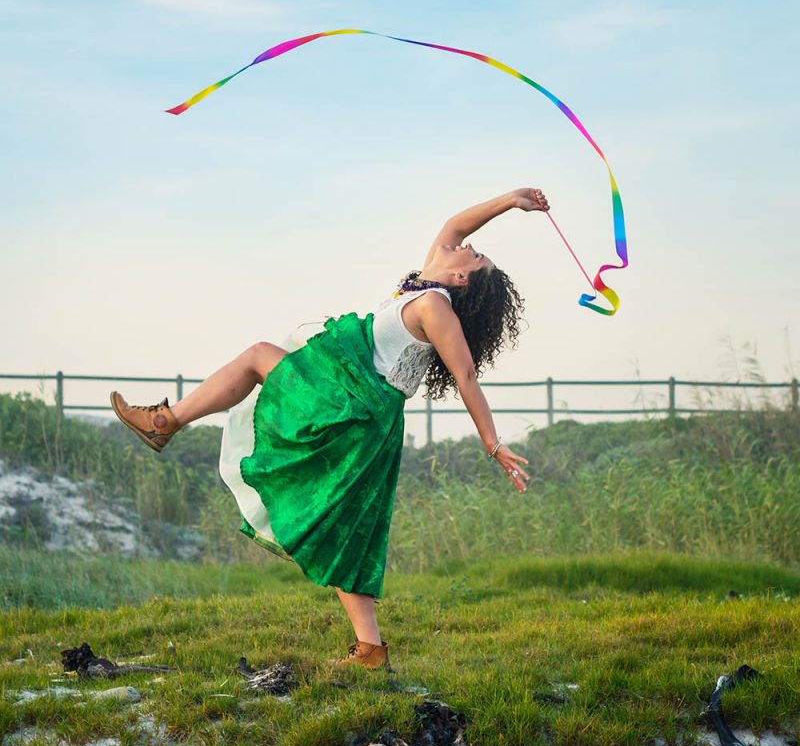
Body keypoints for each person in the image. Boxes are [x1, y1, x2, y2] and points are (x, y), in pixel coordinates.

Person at [110, 187, 548, 670]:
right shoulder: (427, 281)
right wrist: (511, 200)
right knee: (342, 523)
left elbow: (465, 376)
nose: (469, 245)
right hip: (350, 393)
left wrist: (493, 443)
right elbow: (456, 224)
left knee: (259, 358)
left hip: (358, 409)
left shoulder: (436, 308)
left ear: (463, 277)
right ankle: (370, 649)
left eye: (476, 256)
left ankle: (165, 422)